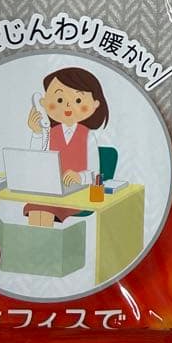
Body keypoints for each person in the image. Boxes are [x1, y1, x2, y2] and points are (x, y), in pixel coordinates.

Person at [23, 67, 109, 227]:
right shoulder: (50, 132)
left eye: (78, 101)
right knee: (37, 208)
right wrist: (37, 133)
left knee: (43, 210)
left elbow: (96, 174)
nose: (68, 106)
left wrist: (80, 177)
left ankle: (42, 242)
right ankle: (40, 242)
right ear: (44, 103)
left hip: (78, 192)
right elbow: (36, 161)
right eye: (59, 100)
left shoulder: (87, 136)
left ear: (95, 104)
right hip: (51, 191)